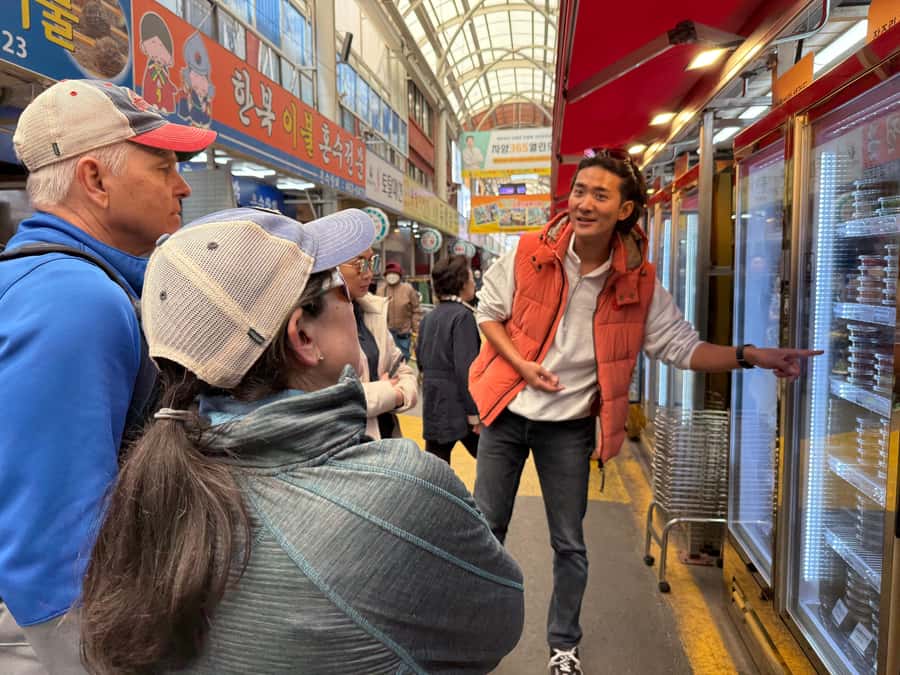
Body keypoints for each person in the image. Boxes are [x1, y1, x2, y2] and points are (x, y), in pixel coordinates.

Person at [79, 207, 525, 674]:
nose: (357, 296)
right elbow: (497, 620)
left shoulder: (149, 491)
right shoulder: (397, 490)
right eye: (339, 287)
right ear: (303, 335)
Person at [468, 149, 820, 675]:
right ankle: (471, 635)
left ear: (626, 210)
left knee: (569, 543)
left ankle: (563, 645)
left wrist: (751, 356)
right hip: (508, 413)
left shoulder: (638, 284)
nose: (584, 203)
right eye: (580, 191)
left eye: (599, 195)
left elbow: (682, 348)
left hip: (568, 429)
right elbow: (488, 314)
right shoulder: (528, 253)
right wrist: (522, 364)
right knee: (485, 530)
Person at [0, 79, 215, 673]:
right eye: (163, 165)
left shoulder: (68, 281)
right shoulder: (74, 299)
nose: (182, 185)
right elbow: (55, 561)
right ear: (95, 179)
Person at [341, 249, 418, 439]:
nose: (368, 273)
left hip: (386, 435)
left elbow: (403, 371)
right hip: (353, 445)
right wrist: (387, 392)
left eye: (372, 262)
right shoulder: (315, 324)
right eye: (360, 264)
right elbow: (334, 401)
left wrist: (399, 396)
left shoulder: (371, 311)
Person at [417, 255, 481, 464]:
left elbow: (420, 360)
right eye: (471, 277)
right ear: (462, 284)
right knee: (493, 460)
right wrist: (474, 413)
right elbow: (466, 369)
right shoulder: (463, 316)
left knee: (437, 468)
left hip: (434, 403)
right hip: (459, 406)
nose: (474, 282)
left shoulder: (429, 317)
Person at [376, 261, 422, 361]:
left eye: (395, 274)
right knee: (387, 361)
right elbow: (377, 312)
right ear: (385, 276)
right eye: (389, 274)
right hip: (386, 333)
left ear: (400, 276)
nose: (392, 276)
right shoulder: (380, 290)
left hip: (403, 333)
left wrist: (416, 329)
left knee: (403, 359)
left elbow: (416, 310)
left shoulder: (408, 289)